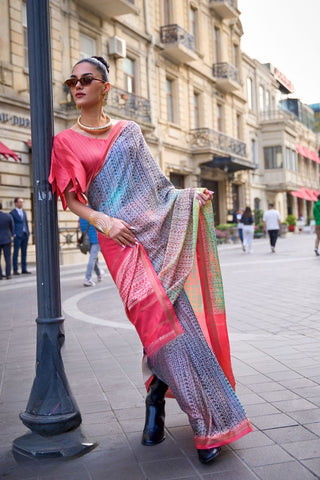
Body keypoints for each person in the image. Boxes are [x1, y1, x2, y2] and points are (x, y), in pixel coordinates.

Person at [49, 56, 252, 464]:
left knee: (182, 329)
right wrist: (103, 221)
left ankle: (206, 420)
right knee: (154, 329)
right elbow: (71, 199)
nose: (78, 85)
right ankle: (158, 396)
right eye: (73, 80)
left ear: (106, 87)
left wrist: (189, 197)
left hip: (156, 238)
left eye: (86, 79)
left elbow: (158, 188)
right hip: (119, 244)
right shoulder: (66, 141)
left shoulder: (130, 133)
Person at [79, 215, 103, 286]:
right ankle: (87, 279)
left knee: (93, 258)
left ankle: (99, 274)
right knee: (92, 259)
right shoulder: (94, 212)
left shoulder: (81, 214)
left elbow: (82, 228)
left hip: (87, 241)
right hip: (96, 239)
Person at [10, 197, 31, 274]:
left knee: (24, 252)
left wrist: (28, 232)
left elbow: (25, 223)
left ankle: (24, 268)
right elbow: (11, 224)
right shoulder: (12, 213)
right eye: (20, 202)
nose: (21, 203)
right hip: (17, 235)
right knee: (16, 253)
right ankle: (15, 269)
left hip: (25, 234)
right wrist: (13, 234)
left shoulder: (24, 212)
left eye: (22, 202)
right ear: (16, 203)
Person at [0, 202, 14, 279]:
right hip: (7, 239)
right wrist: (11, 235)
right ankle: (8, 274)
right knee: (7, 257)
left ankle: (0, 275)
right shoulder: (8, 216)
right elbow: (12, 227)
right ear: (2, 208)